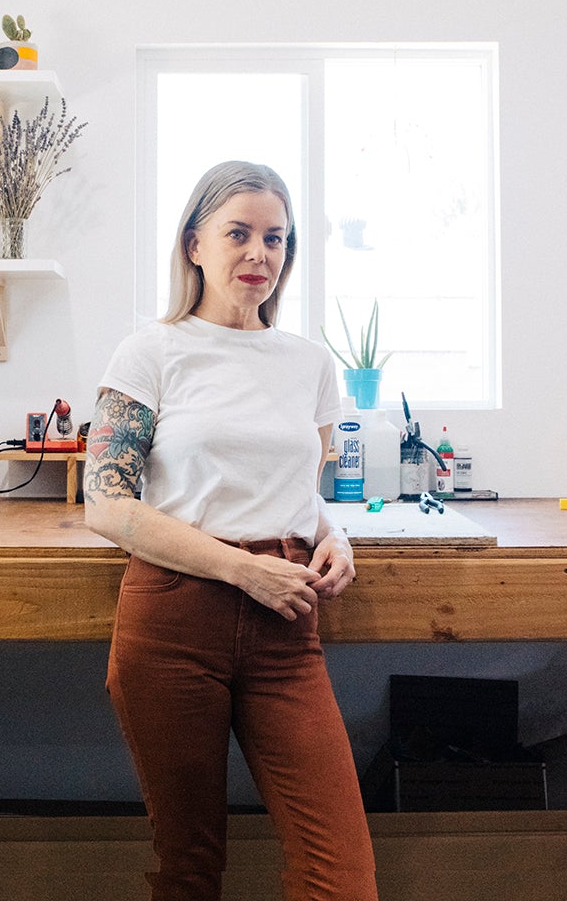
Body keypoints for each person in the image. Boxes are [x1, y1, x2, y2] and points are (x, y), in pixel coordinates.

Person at [84, 161, 376, 901]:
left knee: (341, 875)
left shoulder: (309, 363)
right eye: (238, 233)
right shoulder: (150, 351)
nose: (259, 254)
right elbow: (108, 504)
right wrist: (242, 570)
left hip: (286, 627)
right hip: (176, 616)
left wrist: (332, 535)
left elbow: (297, 484)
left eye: (275, 238)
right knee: (189, 867)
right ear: (194, 244)